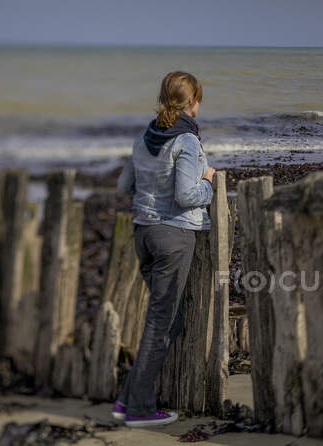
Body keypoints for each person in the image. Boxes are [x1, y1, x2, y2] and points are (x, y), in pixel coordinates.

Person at [114, 71, 216, 427]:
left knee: (167, 321)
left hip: (143, 233)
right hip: (173, 237)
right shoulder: (186, 140)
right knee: (161, 323)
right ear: (193, 102)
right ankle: (140, 409)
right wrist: (208, 182)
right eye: (198, 99)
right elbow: (187, 195)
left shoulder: (146, 135)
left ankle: (127, 399)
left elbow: (125, 184)